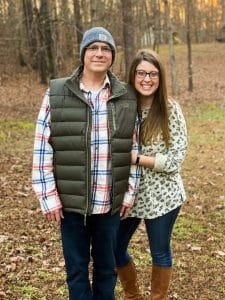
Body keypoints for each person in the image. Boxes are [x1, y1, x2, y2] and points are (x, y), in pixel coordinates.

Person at [32, 27, 140, 300]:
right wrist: (48, 197)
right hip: (71, 206)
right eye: (93, 48)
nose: (99, 53)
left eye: (106, 49)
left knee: (106, 270)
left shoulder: (126, 96)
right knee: (77, 271)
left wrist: (129, 192)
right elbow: (42, 147)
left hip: (109, 203)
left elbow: (134, 148)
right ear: (83, 53)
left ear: (112, 56)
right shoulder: (57, 93)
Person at [115, 50, 188, 300]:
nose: (147, 79)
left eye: (153, 74)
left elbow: (175, 159)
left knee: (160, 252)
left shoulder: (170, 110)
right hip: (129, 195)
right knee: (114, 248)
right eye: (142, 73)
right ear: (133, 75)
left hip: (163, 196)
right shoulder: (123, 108)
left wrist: (135, 159)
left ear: (160, 78)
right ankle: (132, 296)